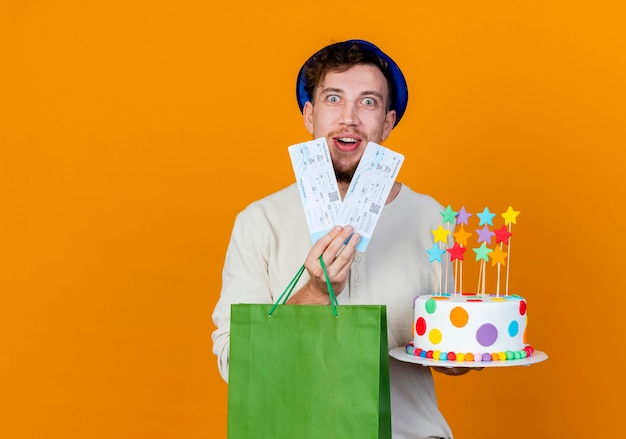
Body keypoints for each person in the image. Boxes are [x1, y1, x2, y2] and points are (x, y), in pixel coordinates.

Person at [212, 39, 477, 439]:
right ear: (310, 115)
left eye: (367, 102)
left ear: (387, 123)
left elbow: (446, 350)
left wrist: (466, 353)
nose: (349, 118)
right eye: (333, 98)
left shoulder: (430, 218)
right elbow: (236, 364)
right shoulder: (259, 222)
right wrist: (315, 292)